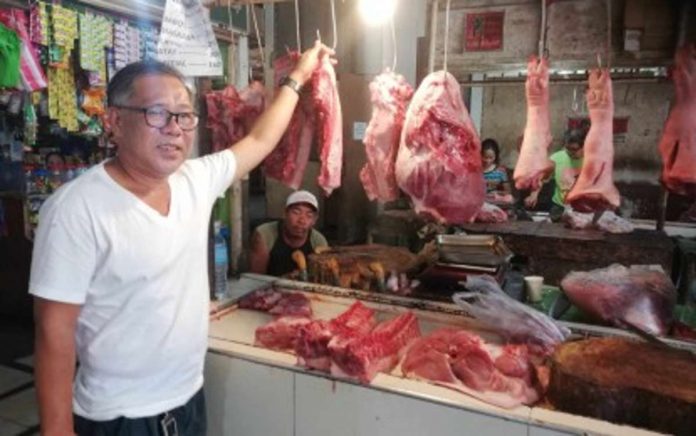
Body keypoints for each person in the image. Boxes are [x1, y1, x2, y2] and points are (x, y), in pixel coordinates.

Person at [30, 41, 334, 436]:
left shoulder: (195, 180)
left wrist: (298, 77)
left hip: (188, 400)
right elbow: (53, 333)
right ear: (115, 122)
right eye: (157, 113)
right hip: (119, 418)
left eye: (184, 114)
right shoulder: (75, 210)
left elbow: (260, 140)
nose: (174, 128)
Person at [249, 190, 328, 277]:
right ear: (284, 213)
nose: (302, 220)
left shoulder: (318, 241)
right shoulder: (265, 234)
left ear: (314, 220)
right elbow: (255, 279)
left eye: (309, 216)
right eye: (296, 212)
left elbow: (322, 278)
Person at [524, 128, 586, 221]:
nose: (570, 152)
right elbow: (541, 178)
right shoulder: (556, 158)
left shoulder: (591, 161)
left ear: (585, 145)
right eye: (567, 148)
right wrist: (534, 195)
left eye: (574, 149)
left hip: (583, 208)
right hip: (559, 207)